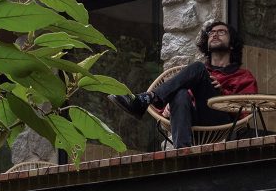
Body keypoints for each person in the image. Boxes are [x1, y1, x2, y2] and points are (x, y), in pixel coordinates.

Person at [109, 19, 258, 148]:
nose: (214, 34)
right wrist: (166, 109)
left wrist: (223, 94)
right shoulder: (197, 74)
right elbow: (178, 101)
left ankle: (145, 99)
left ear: (232, 44)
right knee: (180, 94)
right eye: (211, 32)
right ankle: (182, 153)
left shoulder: (242, 76)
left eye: (221, 32)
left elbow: (248, 107)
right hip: (190, 119)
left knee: (198, 68)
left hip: (219, 121)